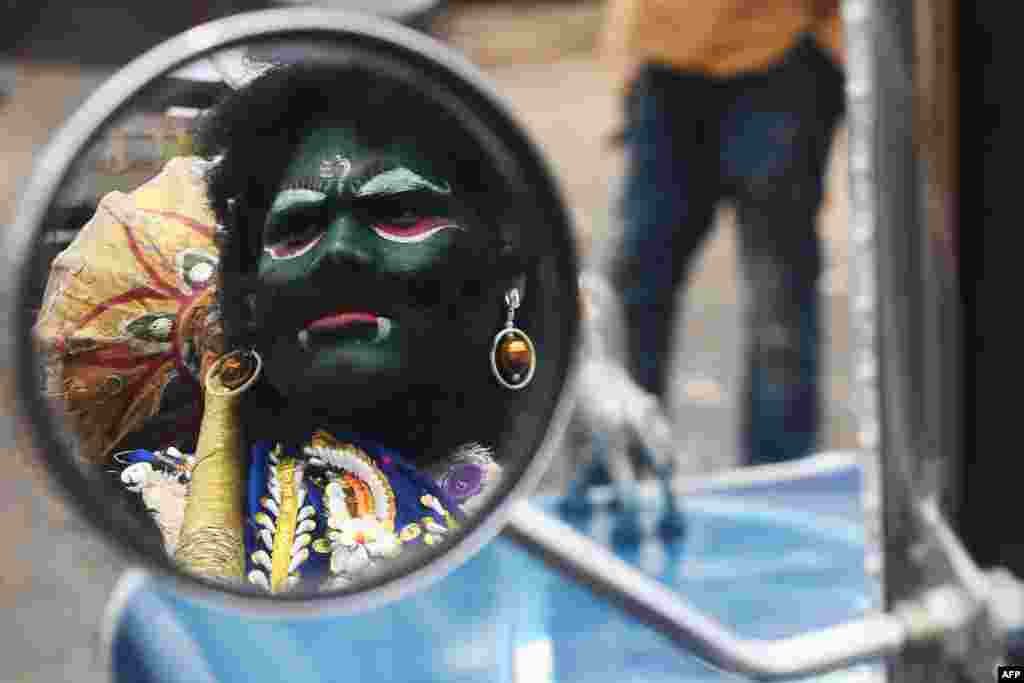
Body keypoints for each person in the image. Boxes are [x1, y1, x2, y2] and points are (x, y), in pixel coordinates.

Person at [35, 59, 540, 593]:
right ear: (248, 298)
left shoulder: (579, 451)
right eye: (297, 227)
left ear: (503, 262)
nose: (339, 253)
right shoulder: (168, 508)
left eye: (397, 212)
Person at [601, 0, 846, 466]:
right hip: (664, 61)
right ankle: (623, 472)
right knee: (633, 288)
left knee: (779, 304)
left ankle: (780, 491)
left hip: (779, 55)